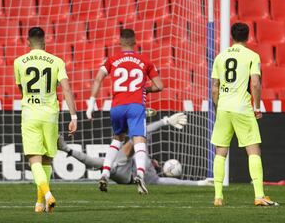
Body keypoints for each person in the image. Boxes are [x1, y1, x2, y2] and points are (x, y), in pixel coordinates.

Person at [86, 29, 163, 194]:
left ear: (119, 42)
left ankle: (106, 171)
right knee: (139, 140)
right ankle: (140, 174)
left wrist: (91, 103)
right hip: (135, 105)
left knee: (117, 139)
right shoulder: (145, 61)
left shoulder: (112, 60)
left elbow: (98, 78)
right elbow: (160, 86)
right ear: (135, 42)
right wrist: (145, 89)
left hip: (117, 106)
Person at [210, 22, 278, 206]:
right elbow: (255, 83)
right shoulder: (252, 56)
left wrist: (218, 108)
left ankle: (218, 197)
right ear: (248, 36)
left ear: (232, 36)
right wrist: (257, 107)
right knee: (253, 150)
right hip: (242, 107)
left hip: (224, 107)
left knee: (221, 151)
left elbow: (214, 88)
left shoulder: (220, 57)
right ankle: (259, 196)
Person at [14, 27, 77, 213]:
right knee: (47, 160)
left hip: (30, 114)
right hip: (51, 116)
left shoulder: (19, 62)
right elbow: (66, 89)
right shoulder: (57, 61)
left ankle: (47, 195)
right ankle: (39, 204)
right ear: (45, 41)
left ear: (27, 41)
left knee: (34, 160)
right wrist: (73, 116)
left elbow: (21, 89)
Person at [58, 112, 213, 186]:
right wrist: (198, 183)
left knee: (102, 161)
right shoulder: (130, 157)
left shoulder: (130, 154)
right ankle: (109, 173)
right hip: (128, 174)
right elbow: (166, 181)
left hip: (128, 174)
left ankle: (107, 173)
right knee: (137, 139)